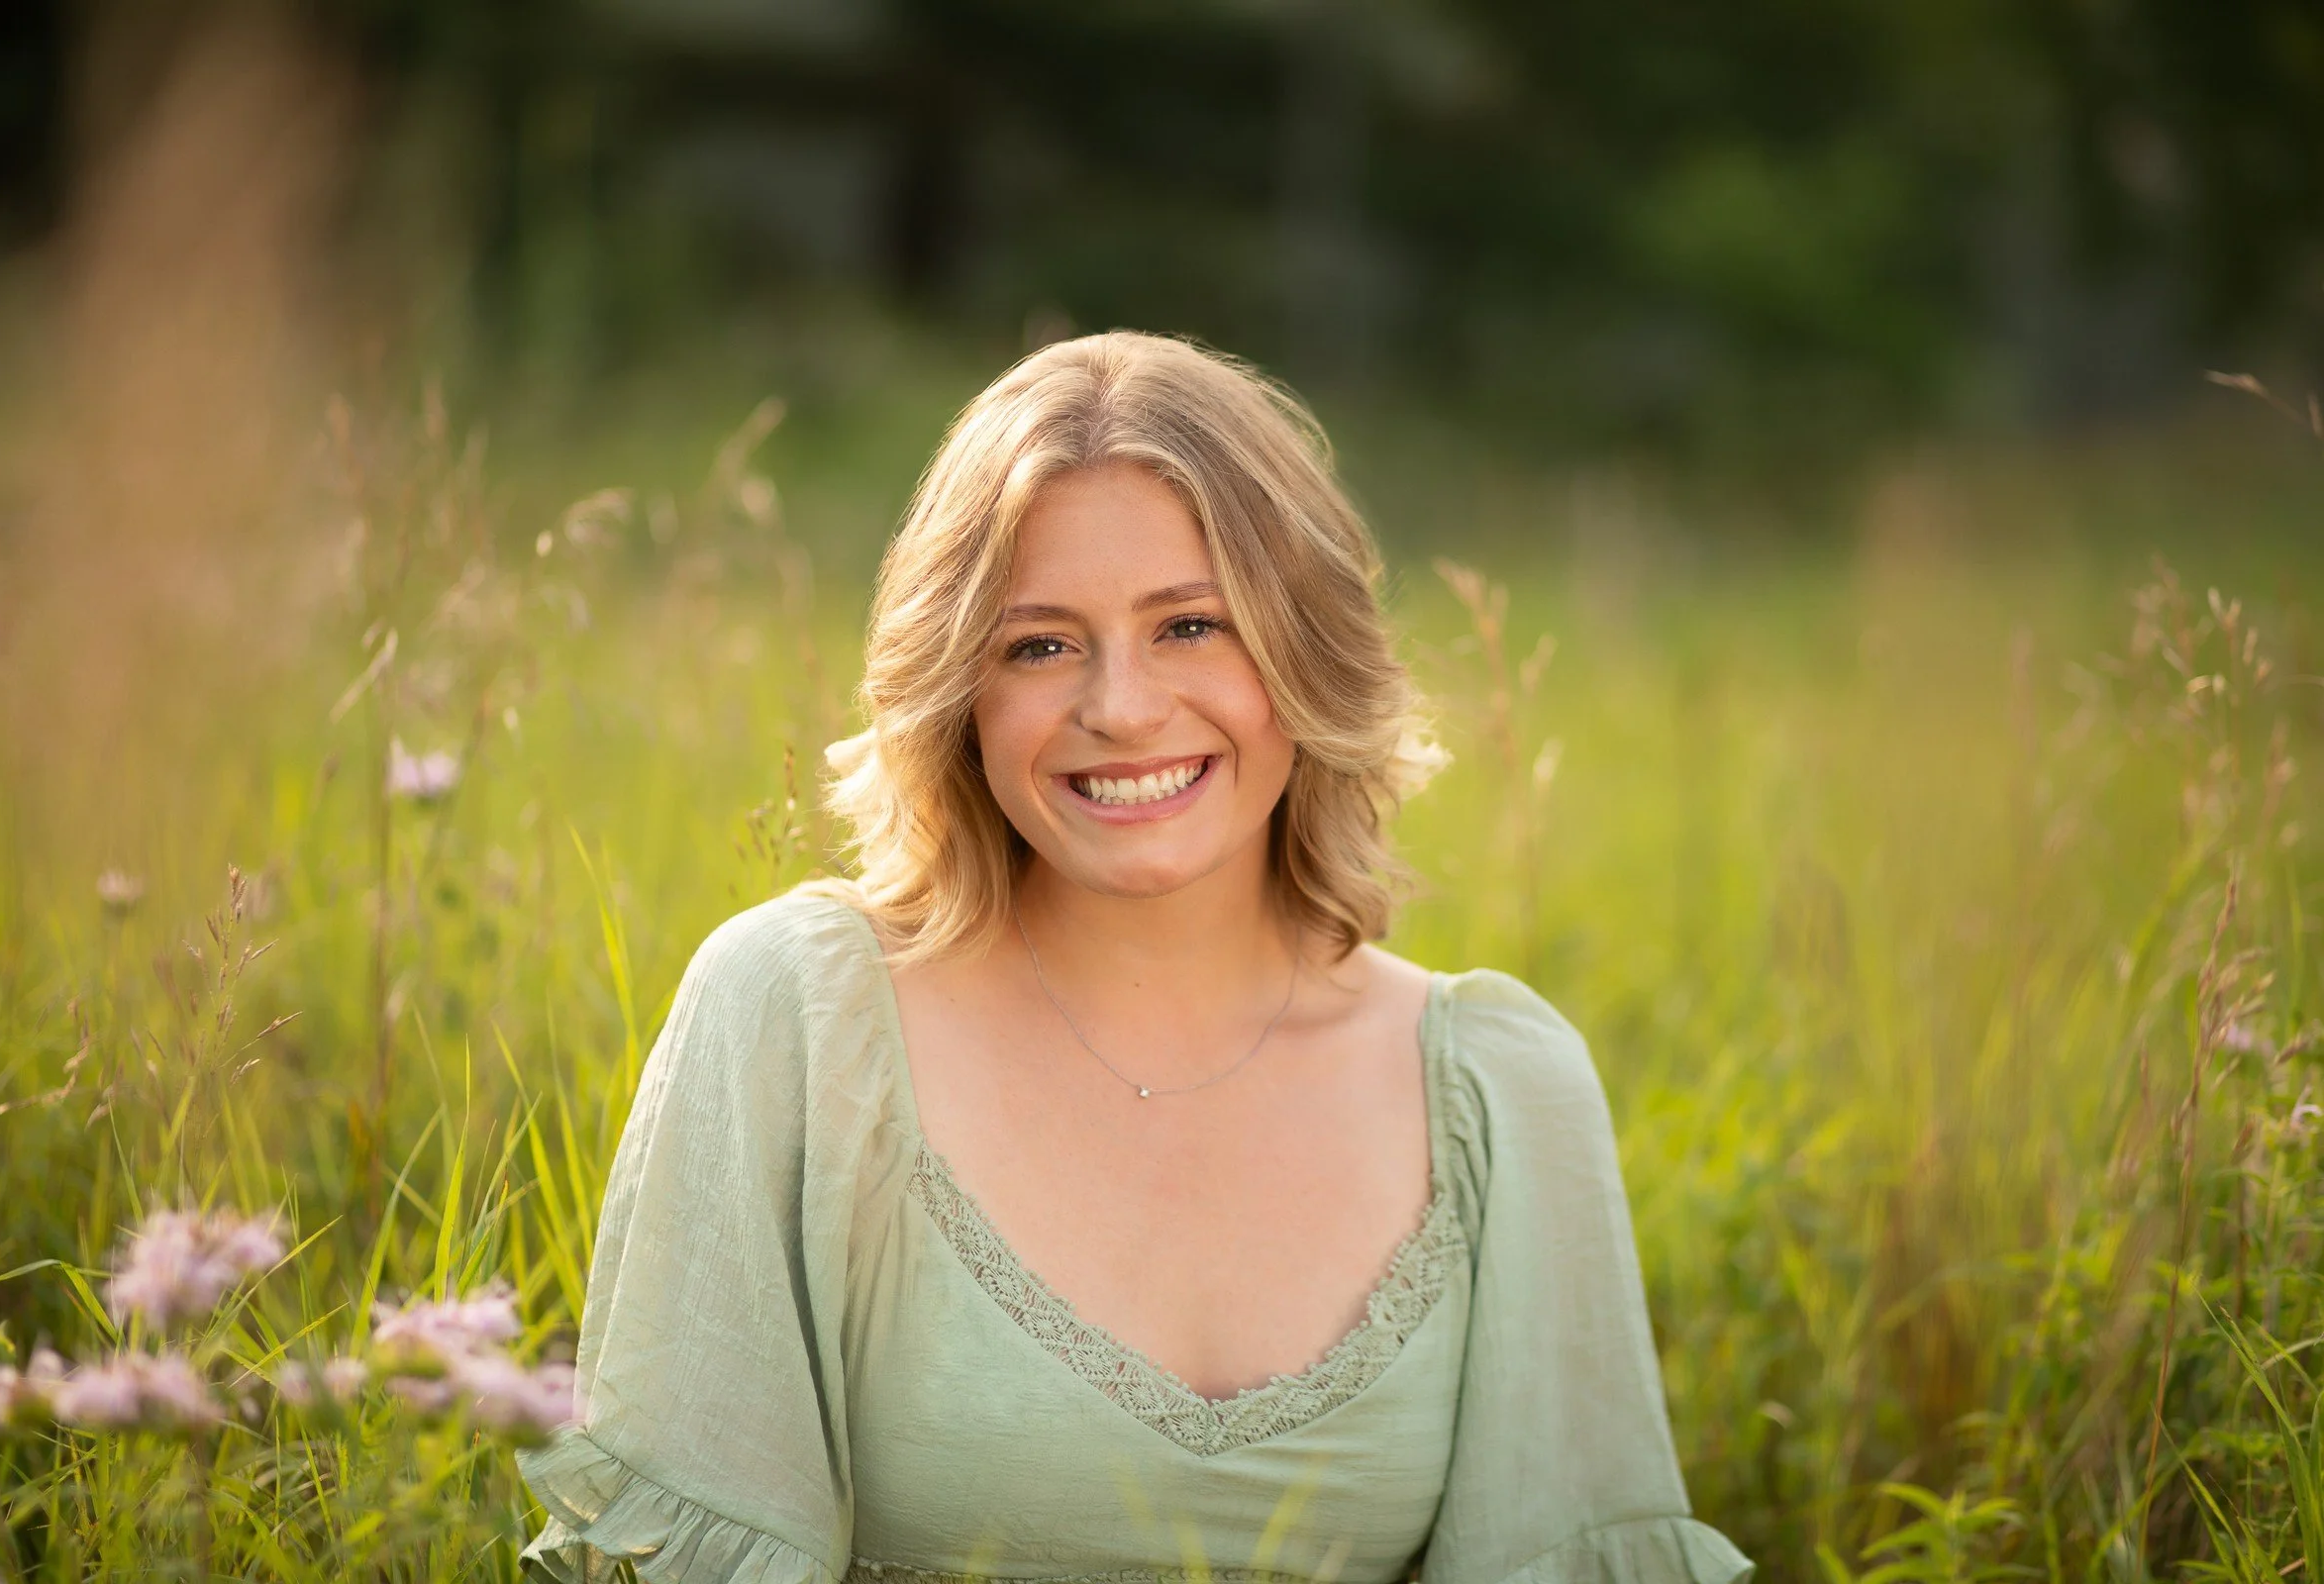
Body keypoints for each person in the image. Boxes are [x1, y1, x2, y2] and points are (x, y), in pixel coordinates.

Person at [517, 333, 1753, 1584]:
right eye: (1039, 645)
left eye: (1192, 625)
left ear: (1305, 649)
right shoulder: (798, 1015)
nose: (1119, 705)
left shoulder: (1499, 1088)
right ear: (961, 694)